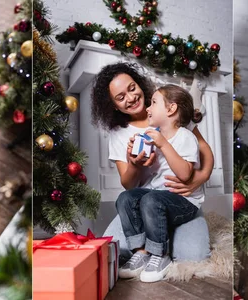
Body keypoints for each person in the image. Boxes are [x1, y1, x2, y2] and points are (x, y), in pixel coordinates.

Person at [91, 62, 213, 262]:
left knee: (193, 256)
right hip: (146, 201)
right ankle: (152, 241)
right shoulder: (118, 134)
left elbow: (204, 149)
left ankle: (164, 238)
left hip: (179, 199)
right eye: (121, 98)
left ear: (139, 84)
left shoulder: (171, 114)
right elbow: (128, 186)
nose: (131, 98)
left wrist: (200, 177)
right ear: (113, 105)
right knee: (116, 250)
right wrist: (135, 164)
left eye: (132, 88)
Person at [115, 85, 204, 282]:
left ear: (171, 109)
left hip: (184, 201)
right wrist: (135, 154)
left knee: (151, 200)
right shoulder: (151, 135)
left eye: (154, 103)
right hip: (156, 195)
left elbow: (184, 174)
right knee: (126, 198)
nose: (148, 108)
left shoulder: (186, 136)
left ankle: (160, 255)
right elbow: (140, 172)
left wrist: (163, 143)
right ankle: (142, 251)